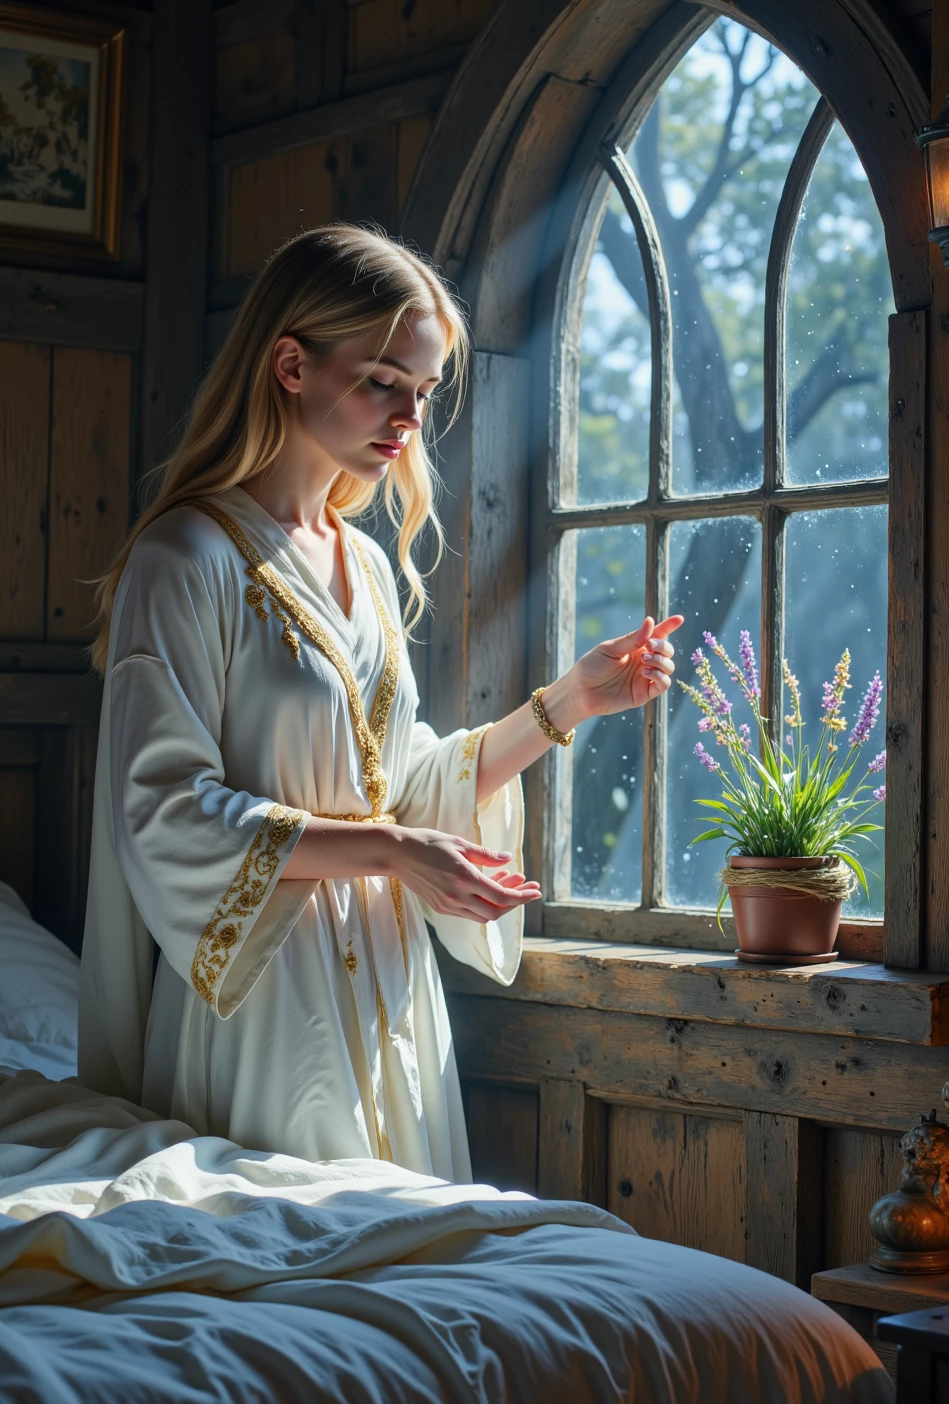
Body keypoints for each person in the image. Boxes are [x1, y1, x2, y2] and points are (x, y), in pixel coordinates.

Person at [78, 224, 681, 1178]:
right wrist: (393, 852)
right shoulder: (184, 560)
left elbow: (398, 786)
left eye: (425, 391)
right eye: (381, 381)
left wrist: (570, 700)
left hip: (395, 998)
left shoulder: (361, 559)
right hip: (265, 1010)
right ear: (290, 363)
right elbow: (165, 810)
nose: (407, 418)